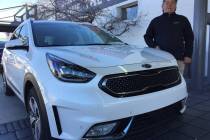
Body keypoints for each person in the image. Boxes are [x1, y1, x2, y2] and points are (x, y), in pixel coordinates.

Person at [144, 0, 194, 75]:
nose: (169, 5)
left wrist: (188, 55)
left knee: (177, 82)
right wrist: (154, 46)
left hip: (178, 59)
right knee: (159, 81)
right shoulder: (155, 21)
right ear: (162, 6)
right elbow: (147, 36)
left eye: (172, 3)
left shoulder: (183, 20)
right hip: (159, 59)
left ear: (176, 6)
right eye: (167, 3)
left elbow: (189, 38)